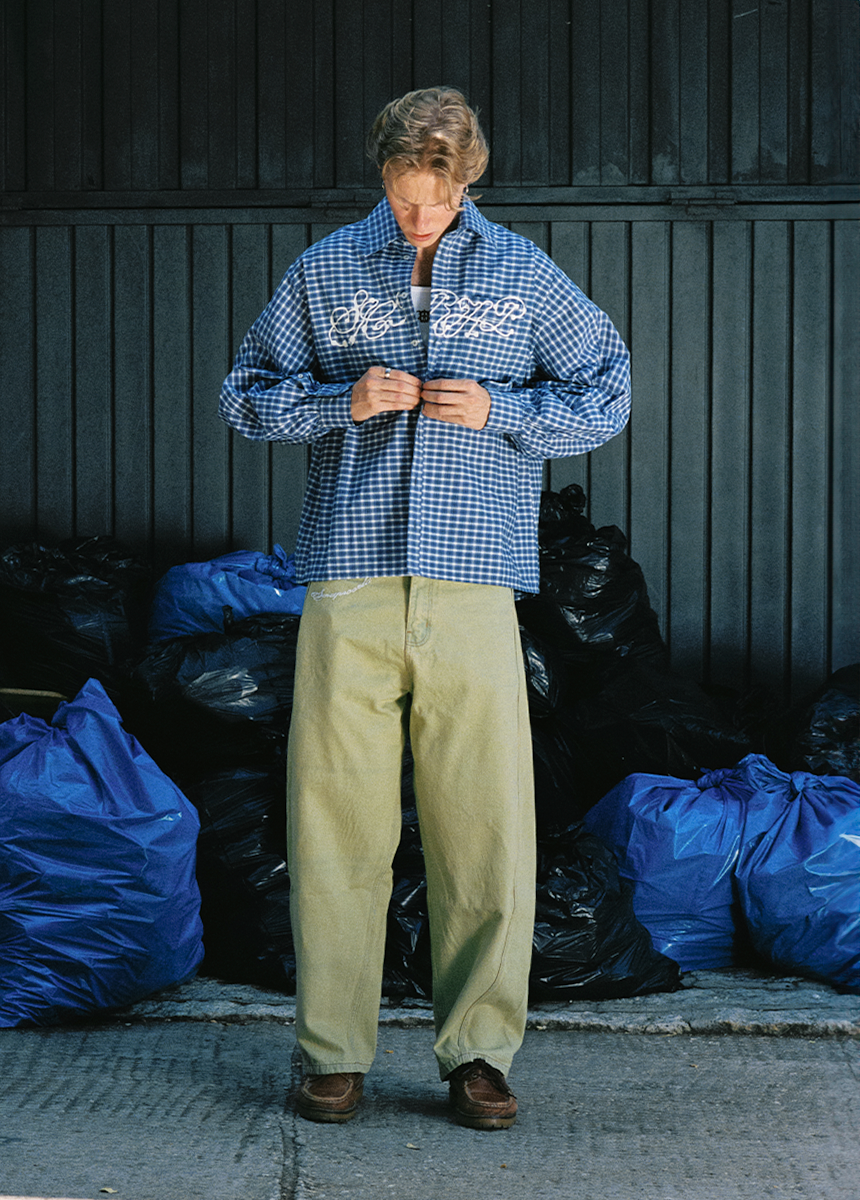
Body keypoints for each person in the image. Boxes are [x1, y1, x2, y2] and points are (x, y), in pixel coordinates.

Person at [219, 86, 631, 1130]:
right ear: (384, 177)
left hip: (475, 575)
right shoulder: (323, 271)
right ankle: (332, 1053)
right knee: (333, 823)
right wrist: (334, 401)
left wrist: (507, 411)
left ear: (467, 179)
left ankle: (479, 1054)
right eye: (404, 199)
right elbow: (244, 391)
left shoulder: (522, 275)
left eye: (435, 200)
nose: (418, 219)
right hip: (349, 577)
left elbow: (608, 387)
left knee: (483, 824)